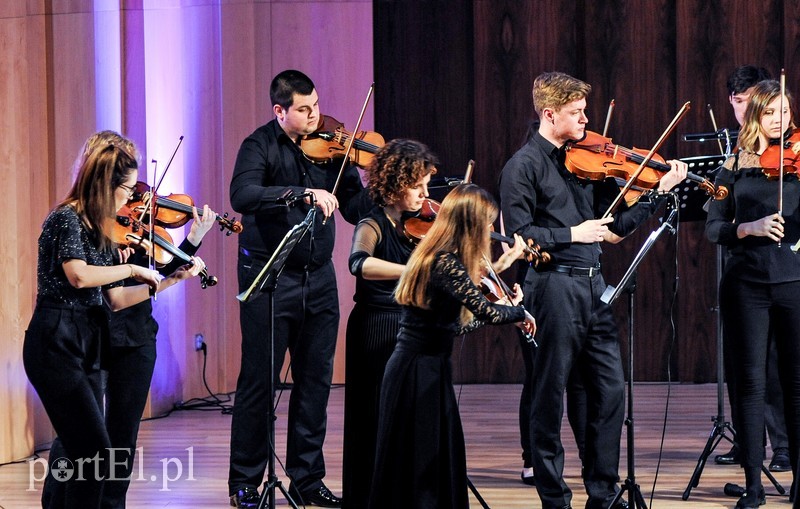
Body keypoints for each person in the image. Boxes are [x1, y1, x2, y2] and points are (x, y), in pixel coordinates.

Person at [498, 71, 687, 509]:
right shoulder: (522, 166)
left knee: (610, 391)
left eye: (585, 110)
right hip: (550, 287)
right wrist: (572, 234)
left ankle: (603, 493)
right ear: (549, 114)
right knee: (549, 394)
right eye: (575, 112)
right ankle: (554, 498)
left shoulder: (587, 160)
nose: (585, 119)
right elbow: (519, 238)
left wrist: (657, 193)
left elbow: (615, 232)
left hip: (594, 288)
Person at [23, 133, 206, 508]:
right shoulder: (66, 218)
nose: (129, 198)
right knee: (93, 451)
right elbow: (78, 276)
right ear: (105, 185)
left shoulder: (100, 229)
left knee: (88, 455)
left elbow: (118, 298)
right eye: (124, 189)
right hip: (55, 338)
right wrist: (130, 266)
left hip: (86, 338)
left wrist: (169, 280)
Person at [228, 69, 372, 509]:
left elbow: (352, 207)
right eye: (305, 110)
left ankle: (307, 479)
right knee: (259, 381)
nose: (316, 116)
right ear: (280, 111)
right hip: (269, 278)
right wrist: (301, 193)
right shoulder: (259, 145)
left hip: (319, 279)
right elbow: (243, 195)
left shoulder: (331, 148)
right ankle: (246, 482)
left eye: (316, 106)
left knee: (316, 382)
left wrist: (381, 187)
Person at [367, 183, 536, 508]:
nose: (490, 230)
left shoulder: (445, 259)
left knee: (437, 455)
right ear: (469, 223)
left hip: (431, 370)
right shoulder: (444, 263)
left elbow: (458, 325)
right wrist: (518, 311)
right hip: (416, 374)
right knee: (421, 462)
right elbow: (486, 310)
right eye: (486, 222)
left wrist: (508, 311)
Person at [706, 79, 800, 508]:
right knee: (749, 384)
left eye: (786, 111)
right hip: (745, 286)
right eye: (772, 113)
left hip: (795, 283)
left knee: (796, 384)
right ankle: (754, 485)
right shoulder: (733, 165)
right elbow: (713, 228)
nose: (782, 120)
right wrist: (750, 228)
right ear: (756, 116)